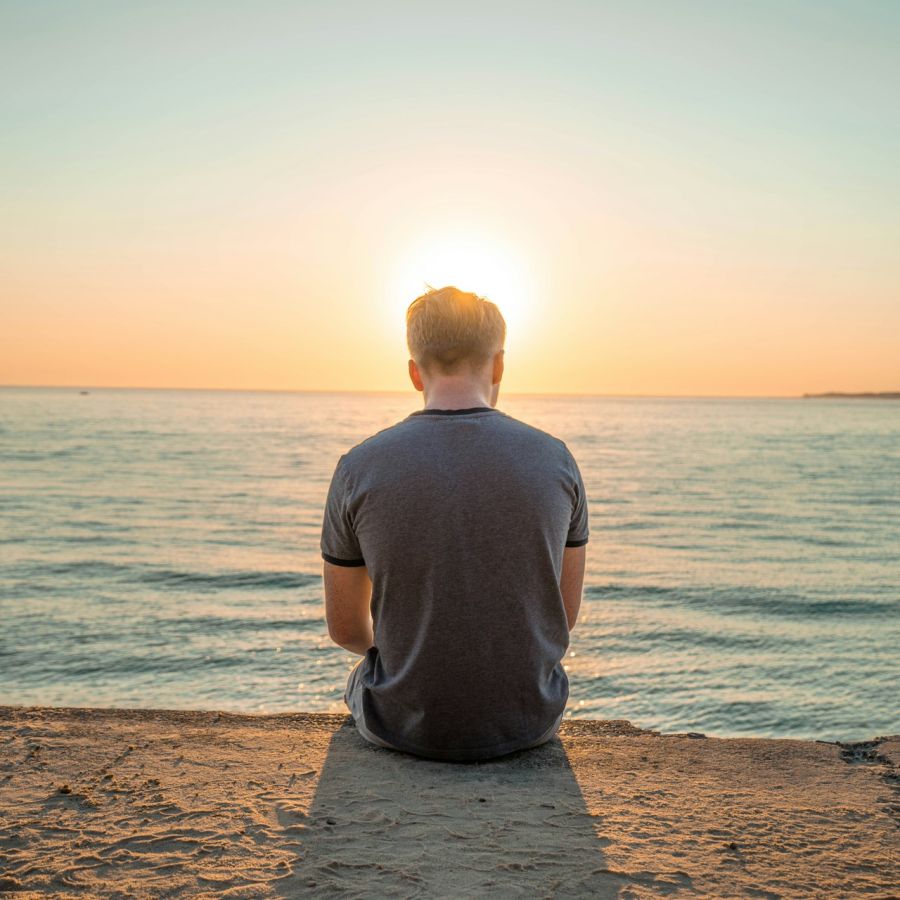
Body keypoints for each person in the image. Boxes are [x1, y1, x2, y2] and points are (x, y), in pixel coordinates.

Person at [320, 285, 589, 762]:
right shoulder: (557, 461)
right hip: (529, 721)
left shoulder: (358, 467)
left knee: (365, 676)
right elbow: (560, 620)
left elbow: (345, 629)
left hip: (400, 725)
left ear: (413, 373)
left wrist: (414, 649)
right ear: (500, 364)